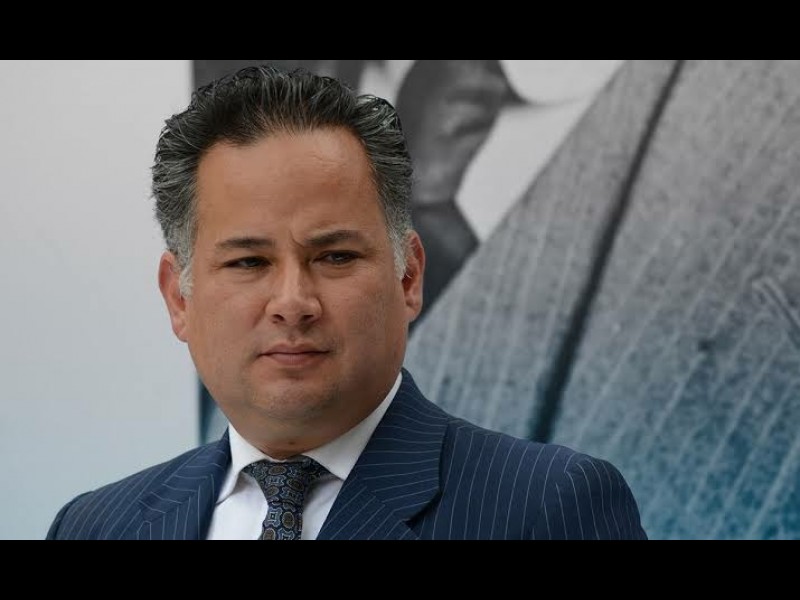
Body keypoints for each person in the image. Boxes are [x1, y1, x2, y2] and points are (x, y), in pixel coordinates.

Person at [46, 65, 647, 540]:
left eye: (334, 256)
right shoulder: (95, 526)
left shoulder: (549, 507)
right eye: (248, 262)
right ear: (179, 297)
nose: (292, 302)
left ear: (408, 277)